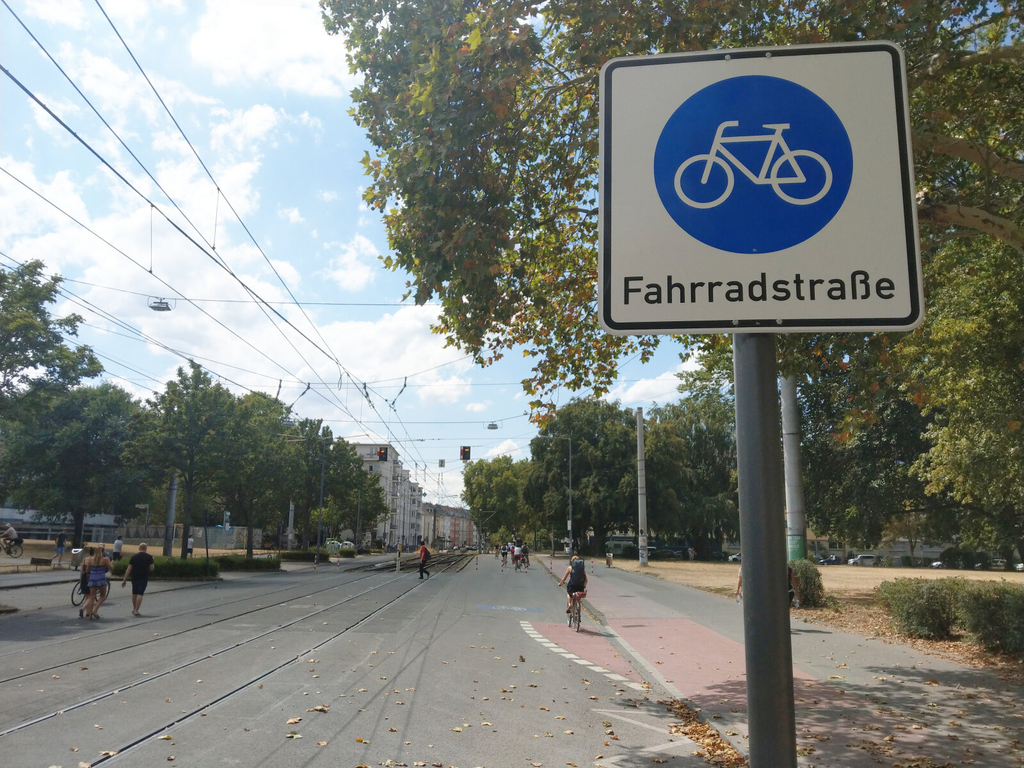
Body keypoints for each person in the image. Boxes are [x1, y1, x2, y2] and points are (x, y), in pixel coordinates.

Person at [734, 565, 802, 608]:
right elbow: (740, 580)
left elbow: (793, 581)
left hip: (787, 592)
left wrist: (797, 591)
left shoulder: (788, 570)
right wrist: (737, 590)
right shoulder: (743, 569)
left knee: (784, 608)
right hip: (777, 592)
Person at [122, 542, 155, 616]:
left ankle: (134, 609)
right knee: (140, 593)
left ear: (139, 548)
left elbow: (129, 569)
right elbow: (152, 568)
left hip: (134, 576)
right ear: (146, 549)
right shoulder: (149, 557)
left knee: (134, 592)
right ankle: (136, 610)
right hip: (144, 576)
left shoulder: (134, 556)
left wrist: (124, 579)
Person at [82, 546, 112, 620]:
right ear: (103, 552)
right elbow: (111, 567)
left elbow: (87, 570)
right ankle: (95, 610)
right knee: (102, 595)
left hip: (92, 579)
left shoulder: (90, 560)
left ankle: (89, 615)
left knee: (91, 596)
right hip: (101, 579)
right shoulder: (105, 559)